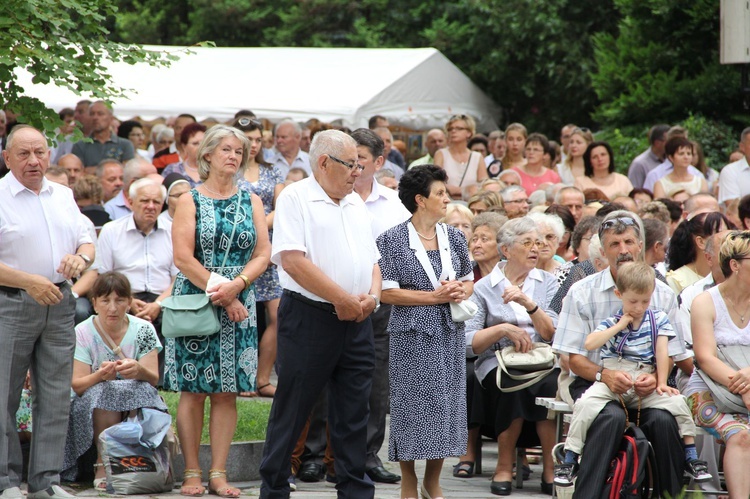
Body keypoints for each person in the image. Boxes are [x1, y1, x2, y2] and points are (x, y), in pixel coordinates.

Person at [259, 130, 380, 499]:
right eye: (351, 165)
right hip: (311, 317)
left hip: (358, 318)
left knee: (353, 410)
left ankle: (354, 490)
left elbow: (372, 258)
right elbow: (293, 261)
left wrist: (372, 296)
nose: (357, 173)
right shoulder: (296, 198)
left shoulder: (356, 202)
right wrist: (342, 298)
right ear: (324, 162)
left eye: (360, 165)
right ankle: (275, 488)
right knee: (294, 408)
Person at [552, 211, 692, 498]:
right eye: (614, 244)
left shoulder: (662, 293)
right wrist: (605, 375)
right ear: (602, 252)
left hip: (647, 383)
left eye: (629, 241)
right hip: (592, 379)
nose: (623, 250)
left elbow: (673, 353)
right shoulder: (581, 292)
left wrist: (654, 378)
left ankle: (672, 494)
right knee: (610, 418)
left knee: (665, 422)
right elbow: (572, 358)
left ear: (640, 245)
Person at [165, 125, 271, 498]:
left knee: (228, 392)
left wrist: (238, 286)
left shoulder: (252, 201)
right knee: (194, 390)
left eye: (239, 151)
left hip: (240, 303)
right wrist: (224, 294)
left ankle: (219, 473)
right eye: (226, 149)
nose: (234, 156)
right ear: (207, 155)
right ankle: (192, 471)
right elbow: (183, 258)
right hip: (198, 301)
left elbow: (263, 254)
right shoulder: (190, 200)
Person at [0, 125, 95, 499]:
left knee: (56, 395)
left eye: (39, 152)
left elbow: (87, 239)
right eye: (23, 154)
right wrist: (28, 281)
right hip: (12, 301)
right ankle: (7, 482)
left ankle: (46, 482)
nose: (33, 160)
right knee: (4, 395)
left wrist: (81, 258)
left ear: (49, 155)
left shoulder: (64, 195)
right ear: (7, 158)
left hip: (59, 301)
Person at [376, 165, 473, 499]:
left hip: (449, 331)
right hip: (411, 332)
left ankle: (433, 480)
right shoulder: (390, 239)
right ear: (420, 200)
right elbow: (386, 293)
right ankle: (407, 478)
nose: (447, 198)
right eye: (440, 193)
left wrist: (460, 291)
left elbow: (469, 280)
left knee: (446, 404)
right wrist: (433, 297)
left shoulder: (455, 237)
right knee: (411, 405)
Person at [465, 216, 559, 496]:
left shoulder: (547, 283)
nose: (535, 249)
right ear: (506, 250)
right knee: (512, 384)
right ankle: (504, 465)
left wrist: (529, 304)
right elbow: (468, 343)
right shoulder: (483, 287)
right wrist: (502, 329)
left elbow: (551, 333)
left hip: (542, 359)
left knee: (549, 384)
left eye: (538, 243)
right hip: (499, 360)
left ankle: (551, 468)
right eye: (527, 243)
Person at [61, 272, 165, 488]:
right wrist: (100, 375)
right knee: (104, 391)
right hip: (95, 404)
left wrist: (138, 370)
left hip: (135, 399)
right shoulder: (82, 332)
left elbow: (153, 378)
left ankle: (134, 459)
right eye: (105, 300)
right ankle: (102, 461)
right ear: (94, 303)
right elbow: (78, 385)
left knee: (130, 389)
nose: (112, 307)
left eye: (119, 300)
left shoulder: (144, 329)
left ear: (129, 302)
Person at [351, 128, 411, 484]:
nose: (354, 165)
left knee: (377, 381)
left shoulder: (394, 203)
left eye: (361, 158)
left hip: (381, 301)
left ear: (378, 162)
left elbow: (403, 253)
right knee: (325, 377)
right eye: (350, 157)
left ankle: (368, 455)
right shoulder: (326, 195)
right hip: (332, 298)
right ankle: (314, 454)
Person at [686, 231, 750, 498]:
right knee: (742, 436)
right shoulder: (705, 301)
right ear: (735, 265)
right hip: (710, 390)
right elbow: (705, 357)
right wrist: (744, 387)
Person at [453, 212, 507, 479]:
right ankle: (467, 450)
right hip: (467, 348)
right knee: (468, 375)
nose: (476, 244)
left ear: (502, 244)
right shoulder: (465, 274)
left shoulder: (512, 272)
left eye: (485, 238)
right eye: (474, 238)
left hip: (506, 350)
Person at [234, 117, 285, 398]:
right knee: (242, 314)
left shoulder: (272, 170)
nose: (253, 145)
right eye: (247, 139)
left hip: (268, 250)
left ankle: (263, 378)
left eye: (257, 139)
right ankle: (243, 378)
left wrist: (260, 226)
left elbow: (282, 207)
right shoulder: (228, 169)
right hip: (239, 251)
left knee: (279, 315)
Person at [665, 212, 732, 295]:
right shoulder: (676, 280)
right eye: (719, 233)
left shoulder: (735, 273)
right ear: (701, 241)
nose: (729, 240)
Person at [434, 114, 488, 200]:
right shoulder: (441, 154)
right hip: (447, 205)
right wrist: (467, 190)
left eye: (459, 128)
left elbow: (484, 185)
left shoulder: (477, 157)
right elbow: (435, 182)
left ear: (469, 133)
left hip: (471, 205)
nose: (453, 131)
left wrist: (455, 190)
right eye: (450, 129)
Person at [71, 101, 135, 168]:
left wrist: (92, 169)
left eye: (100, 114)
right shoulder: (80, 146)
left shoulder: (125, 145)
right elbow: (78, 172)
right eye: (92, 114)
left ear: (111, 118)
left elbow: (127, 170)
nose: (95, 117)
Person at [627, 124, 669, 189]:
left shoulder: (672, 159)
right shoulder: (640, 163)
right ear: (657, 143)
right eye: (669, 141)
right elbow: (634, 190)